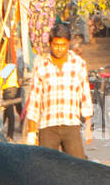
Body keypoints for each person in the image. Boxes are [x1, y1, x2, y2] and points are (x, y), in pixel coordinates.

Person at [25, 22, 93, 157]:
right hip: (48, 126)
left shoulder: (78, 64)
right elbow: (35, 99)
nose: (59, 49)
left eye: (63, 45)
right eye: (56, 45)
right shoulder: (41, 66)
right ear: (50, 44)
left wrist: (88, 126)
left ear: (68, 44)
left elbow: (85, 96)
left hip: (71, 125)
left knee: (77, 167)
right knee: (46, 169)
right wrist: (31, 132)